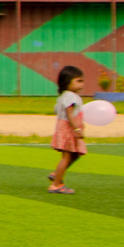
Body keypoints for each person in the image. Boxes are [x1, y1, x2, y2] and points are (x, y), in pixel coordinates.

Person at [49, 65, 88, 194]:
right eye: (79, 81)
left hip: (65, 126)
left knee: (75, 154)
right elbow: (70, 114)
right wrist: (76, 128)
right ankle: (56, 185)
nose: (82, 84)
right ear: (67, 81)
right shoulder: (70, 96)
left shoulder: (64, 96)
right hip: (68, 128)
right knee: (66, 156)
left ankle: (57, 174)